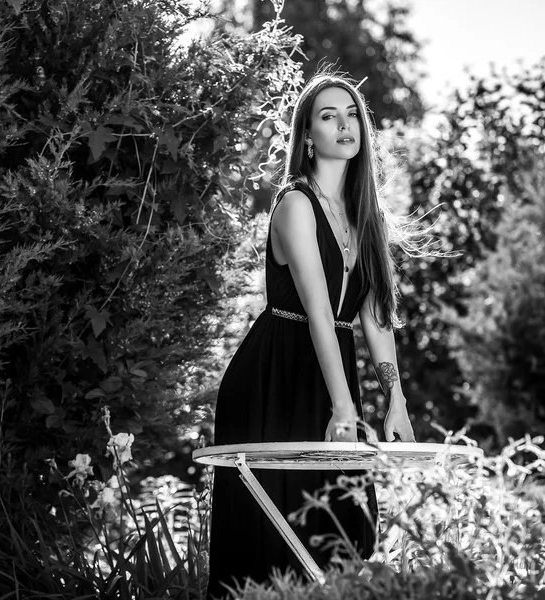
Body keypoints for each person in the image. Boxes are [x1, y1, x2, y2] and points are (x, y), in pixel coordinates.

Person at [206, 73, 416, 598]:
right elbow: (320, 313)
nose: (344, 124)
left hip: (333, 372)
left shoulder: (368, 218)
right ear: (306, 136)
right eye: (328, 115)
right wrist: (344, 410)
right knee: (276, 538)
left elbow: (373, 318)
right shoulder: (295, 205)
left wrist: (396, 401)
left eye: (351, 114)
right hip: (275, 374)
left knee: (343, 527)